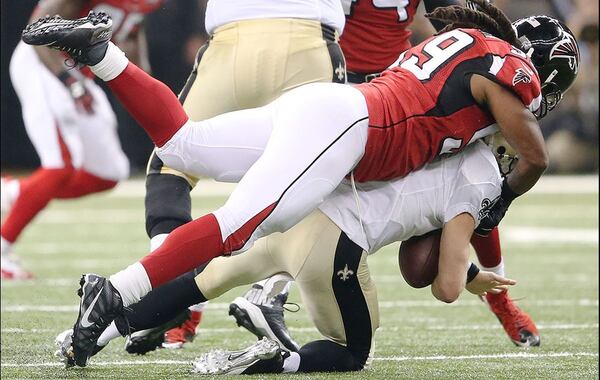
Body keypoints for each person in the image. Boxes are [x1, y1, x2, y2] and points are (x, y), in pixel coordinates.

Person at [21, 0, 578, 367]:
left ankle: (102, 53)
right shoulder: (513, 72)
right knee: (238, 226)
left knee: (182, 147)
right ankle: (116, 291)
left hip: (328, 105)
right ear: (539, 70)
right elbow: (534, 155)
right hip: (352, 134)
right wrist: (500, 202)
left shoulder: (468, 45)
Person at [231, 0, 542, 349]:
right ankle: (261, 287)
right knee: (313, 188)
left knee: (474, 177)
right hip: (356, 78)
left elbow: (451, 17)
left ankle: (240, 287)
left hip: (401, 75)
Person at [55, 140, 517, 372]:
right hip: (331, 242)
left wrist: (462, 263)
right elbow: (444, 288)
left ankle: (98, 332)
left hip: (290, 209)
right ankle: (269, 361)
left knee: (199, 284)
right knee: (355, 350)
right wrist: (461, 267)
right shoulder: (483, 177)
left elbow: (407, 204)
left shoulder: (440, 132)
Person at [136, 0, 347, 350]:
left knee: (169, 166)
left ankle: (169, 286)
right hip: (311, 43)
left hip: (232, 43)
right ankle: (268, 293)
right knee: (310, 176)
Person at [0, 0, 163, 279]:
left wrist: (146, 85)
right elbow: (36, 29)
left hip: (78, 73)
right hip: (43, 65)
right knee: (61, 164)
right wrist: (68, 80)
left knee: (109, 172)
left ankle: (14, 192)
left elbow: (134, 30)